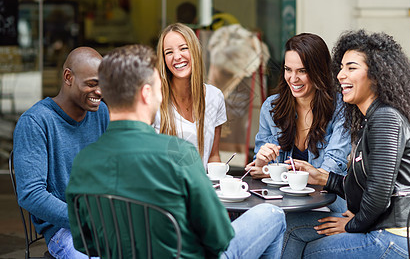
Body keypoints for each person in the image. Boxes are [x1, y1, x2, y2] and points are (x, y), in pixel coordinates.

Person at [65, 44, 286, 258]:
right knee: (272, 214)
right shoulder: (179, 153)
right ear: (146, 93)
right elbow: (219, 237)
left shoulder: (84, 161)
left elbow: (87, 244)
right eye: (159, 89)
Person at [282, 30, 410, 258]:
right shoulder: (372, 119)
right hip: (386, 229)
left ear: (376, 76)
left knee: (309, 251)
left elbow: (378, 195)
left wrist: (351, 225)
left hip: (400, 240)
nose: (340, 75)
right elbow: (365, 185)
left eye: (351, 68)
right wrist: (323, 178)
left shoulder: (386, 119)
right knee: (292, 225)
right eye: (341, 67)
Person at [13, 47, 109, 259]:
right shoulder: (36, 122)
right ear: (68, 77)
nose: (100, 92)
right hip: (64, 229)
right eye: (92, 83)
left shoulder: (101, 113)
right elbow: (30, 194)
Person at [246, 33, 351, 212]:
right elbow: (261, 170)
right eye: (288, 69)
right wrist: (262, 163)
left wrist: (276, 172)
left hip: (327, 205)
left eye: (302, 71)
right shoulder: (271, 107)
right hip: (283, 204)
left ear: (319, 71)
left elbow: (329, 170)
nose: (293, 79)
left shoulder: (341, 108)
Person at [153, 23, 226, 169]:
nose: (177, 57)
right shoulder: (154, 100)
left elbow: (213, 156)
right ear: (163, 59)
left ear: (195, 50)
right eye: (169, 52)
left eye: (183, 48)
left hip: (201, 188)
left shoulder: (215, 96)